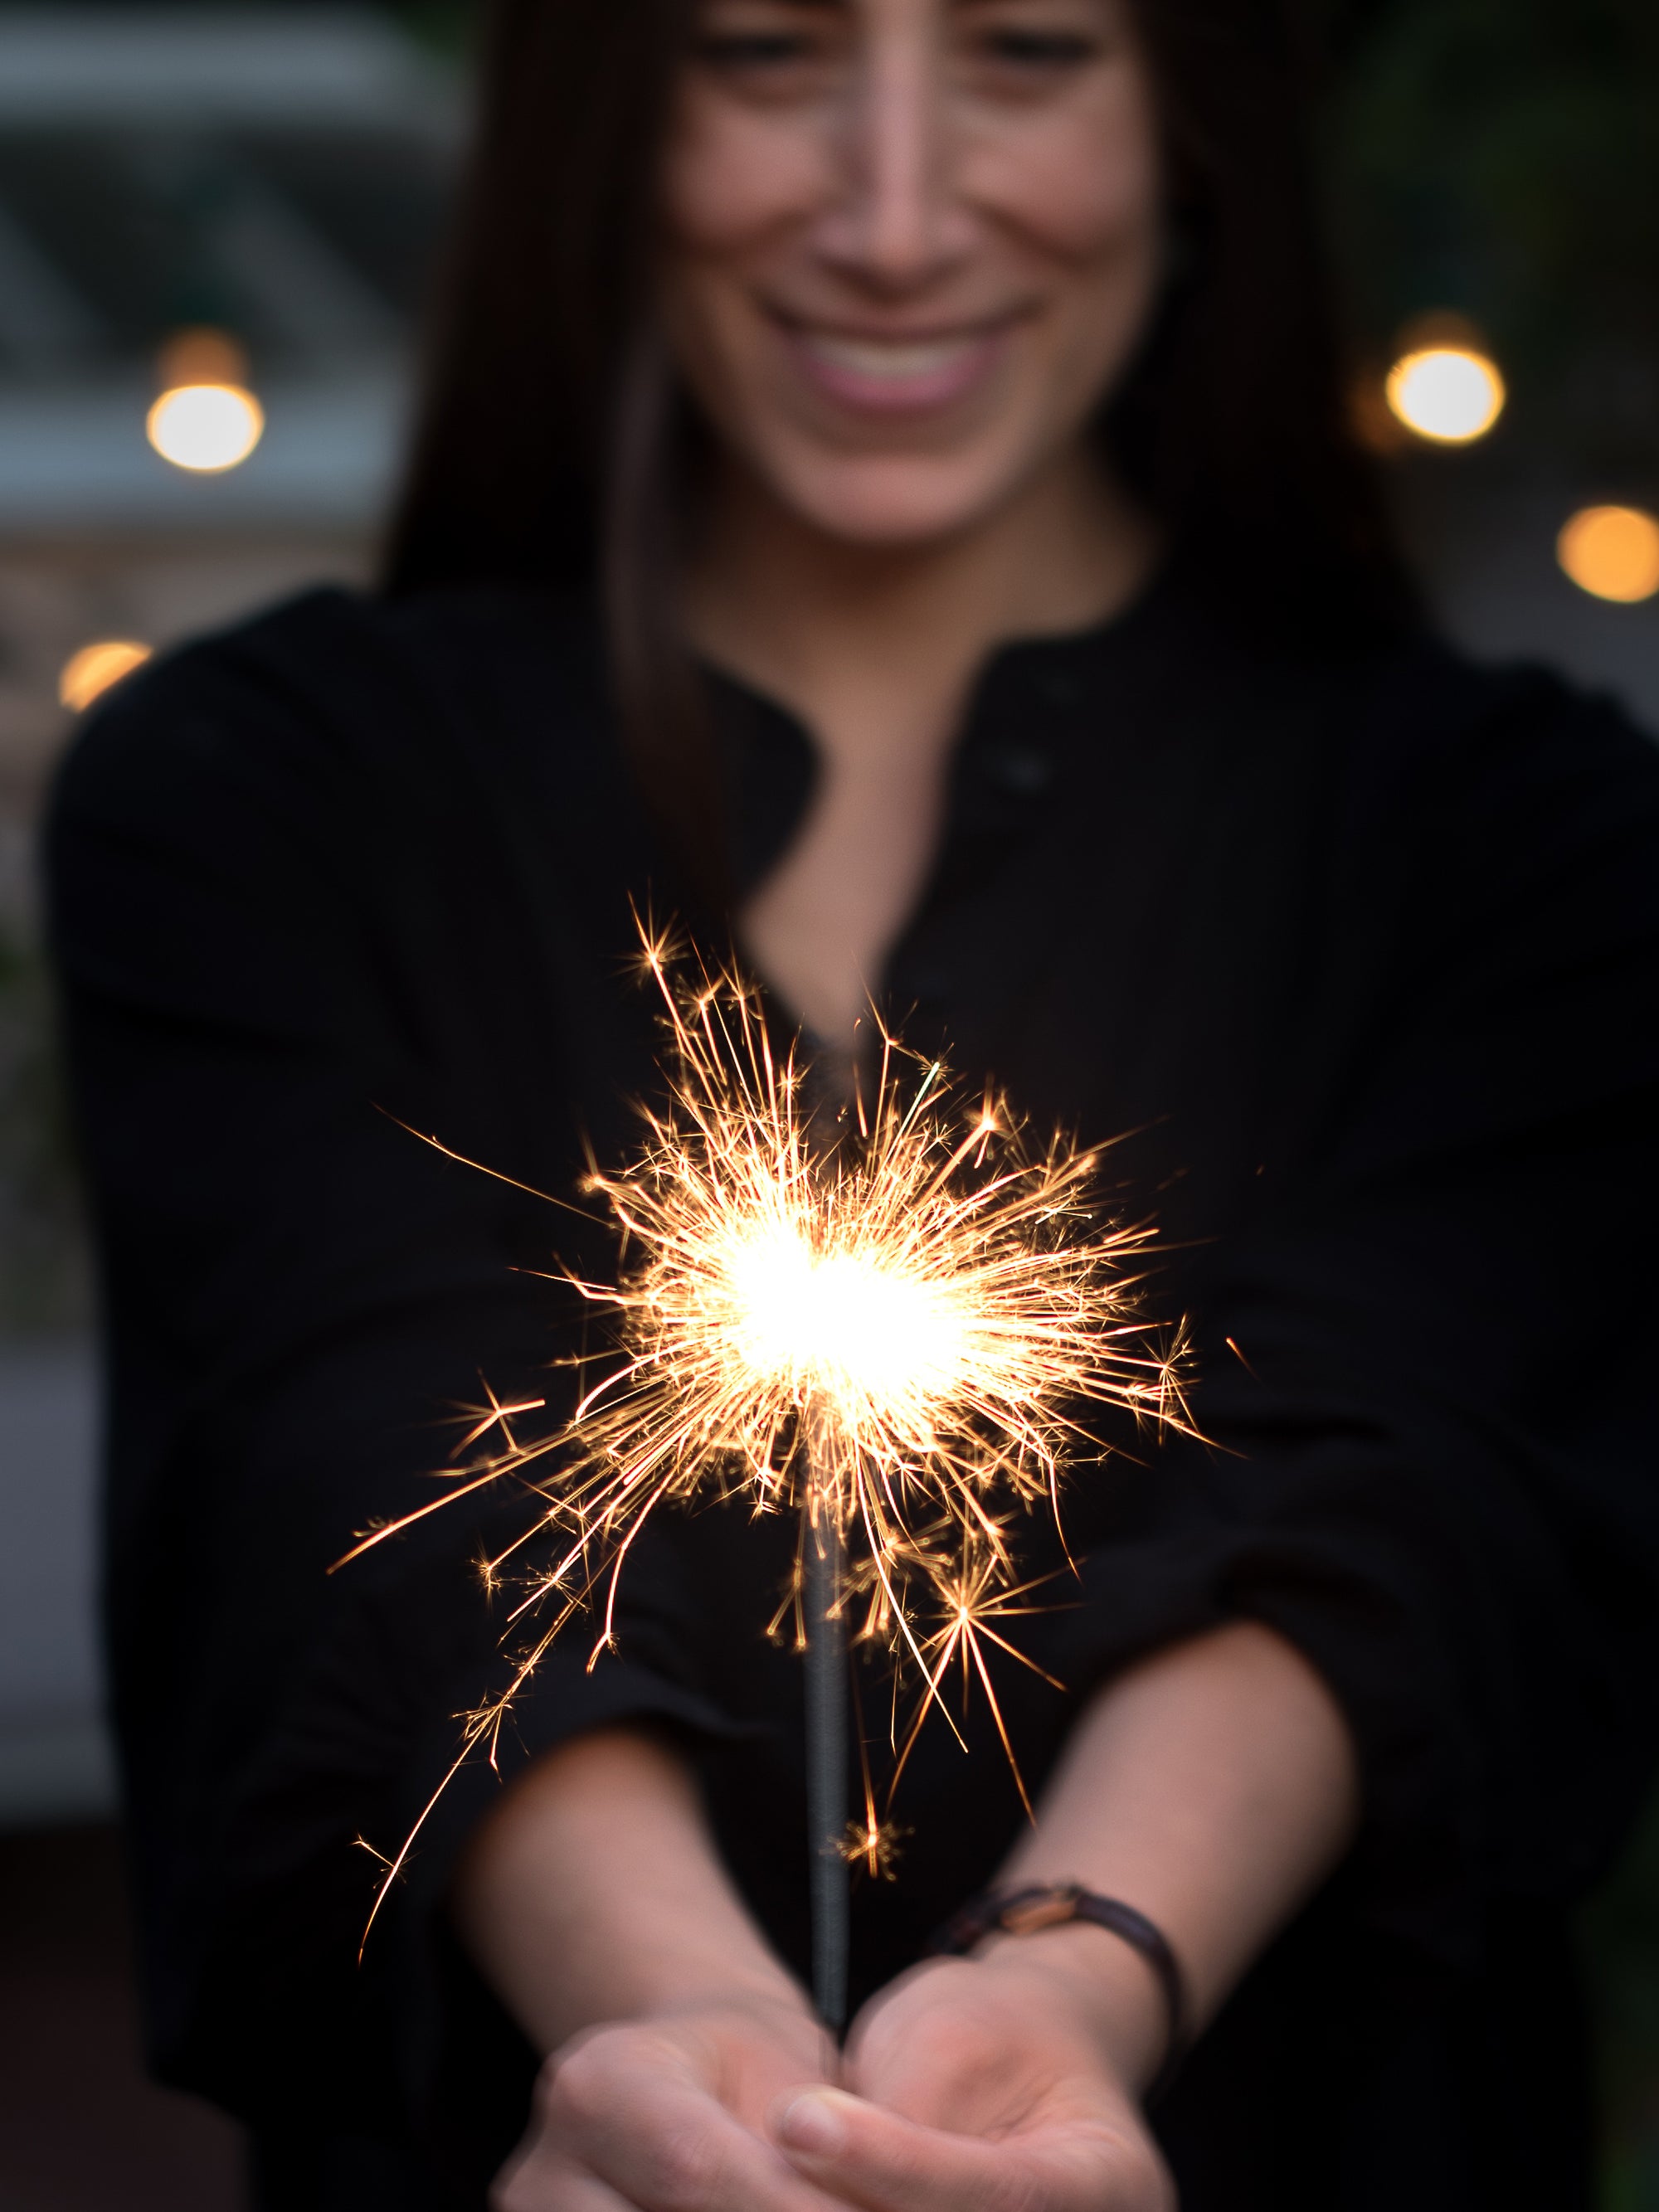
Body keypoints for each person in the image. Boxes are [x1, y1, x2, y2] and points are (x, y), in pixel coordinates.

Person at [45, 0, 1659, 2204]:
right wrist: (675, 2034)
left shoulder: (1512, 837)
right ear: (618, 118)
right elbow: (357, 1462)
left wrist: (1073, 1985)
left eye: (1025, 49)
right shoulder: (265, 791)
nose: (895, 221)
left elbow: (1412, 1495)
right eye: (768, 50)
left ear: (1186, 128)